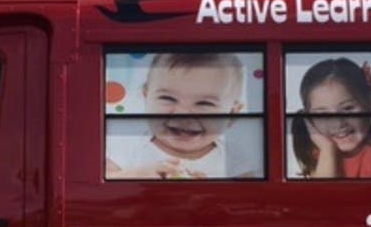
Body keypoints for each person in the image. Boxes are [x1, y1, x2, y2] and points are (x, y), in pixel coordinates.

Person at [106, 52, 258, 179]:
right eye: (168, 98)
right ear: (146, 97)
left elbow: (252, 198)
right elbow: (101, 179)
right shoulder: (128, 148)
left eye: (204, 103)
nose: (183, 113)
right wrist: (134, 175)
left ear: (232, 114)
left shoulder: (233, 159)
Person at [291, 58, 371, 178]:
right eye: (322, 114)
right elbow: (322, 195)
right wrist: (328, 149)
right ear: (310, 119)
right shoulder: (320, 149)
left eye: (347, 108)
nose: (338, 124)